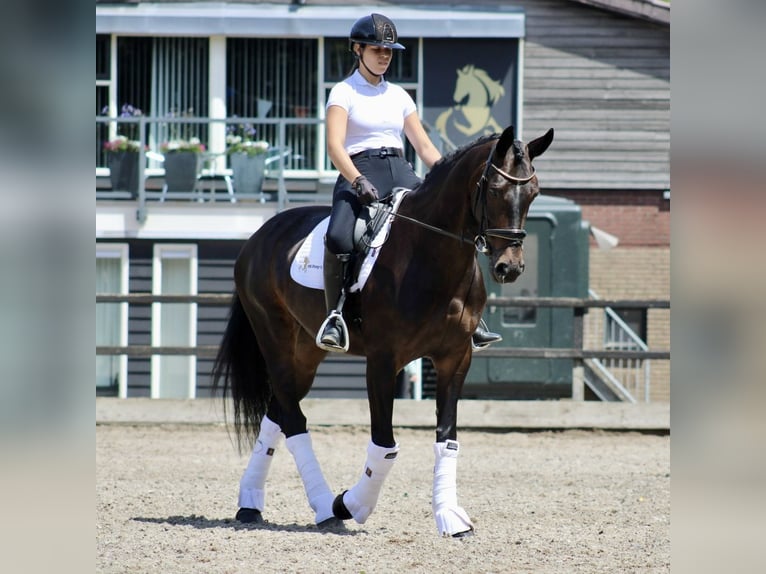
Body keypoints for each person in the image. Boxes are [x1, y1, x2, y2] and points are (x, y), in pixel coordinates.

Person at [318, 13, 501, 352]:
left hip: (400, 169)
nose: (385, 56)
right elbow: (334, 147)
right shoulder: (343, 92)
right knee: (339, 235)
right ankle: (336, 316)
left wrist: (453, 175)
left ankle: (469, 315)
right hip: (359, 168)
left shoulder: (400, 95)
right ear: (357, 49)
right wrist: (356, 180)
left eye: (389, 50)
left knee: (449, 224)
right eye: (377, 49)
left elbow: (425, 147)